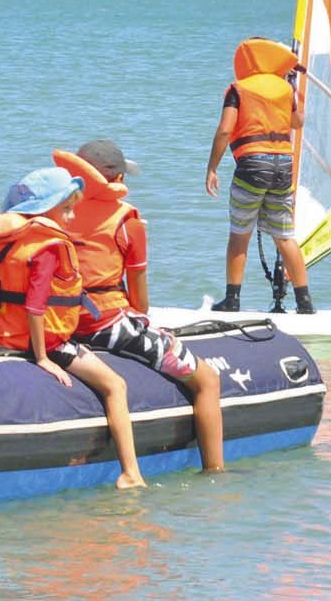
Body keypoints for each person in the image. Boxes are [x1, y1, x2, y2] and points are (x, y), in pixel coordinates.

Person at [58, 139, 225, 472]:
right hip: (106, 324)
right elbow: (139, 301)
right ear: (118, 180)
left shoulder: (56, 211)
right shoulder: (127, 222)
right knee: (207, 380)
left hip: (60, 321)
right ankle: (215, 470)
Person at [0, 167, 145, 490]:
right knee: (115, 386)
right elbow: (35, 306)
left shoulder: (10, 242)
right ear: (46, 209)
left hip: (5, 336)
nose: (70, 217)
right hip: (49, 343)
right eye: (66, 208)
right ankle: (131, 472)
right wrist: (43, 357)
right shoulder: (49, 248)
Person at [204, 38, 311, 313]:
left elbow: (226, 130)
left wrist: (212, 168)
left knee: (240, 234)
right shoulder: (285, 88)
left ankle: (232, 299)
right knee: (284, 236)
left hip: (252, 165)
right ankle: (305, 302)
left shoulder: (238, 89)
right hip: (283, 167)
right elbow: (298, 122)